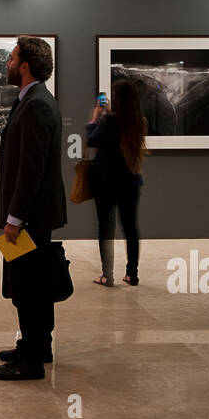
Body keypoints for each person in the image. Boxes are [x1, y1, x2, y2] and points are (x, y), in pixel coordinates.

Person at [0, 36, 66, 381]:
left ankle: (31, 361)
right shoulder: (34, 100)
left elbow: (30, 169)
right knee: (35, 284)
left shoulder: (36, 105)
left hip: (30, 215)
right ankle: (38, 346)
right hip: (36, 212)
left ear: (25, 65)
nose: (6, 64)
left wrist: (15, 218)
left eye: (11, 58)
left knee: (28, 287)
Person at [86, 79, 148, 286]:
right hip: (130, 182)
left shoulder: (109, 120)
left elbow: (92, 140)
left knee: (106, 228)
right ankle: (132, 274)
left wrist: (95, 118)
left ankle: (107, 274)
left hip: (105, 182)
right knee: (131, 229)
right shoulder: (140, 121)